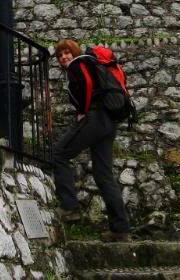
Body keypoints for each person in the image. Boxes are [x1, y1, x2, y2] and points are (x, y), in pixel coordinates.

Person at [52, 38, 131, 241]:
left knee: (59, 153)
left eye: (66, 52)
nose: (63, 58)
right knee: (103, 174)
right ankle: (120, 229)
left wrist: (83, 110)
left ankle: (70, 207)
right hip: (109, 122)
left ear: (74, 51)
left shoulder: (78, 63)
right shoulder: (91, 63)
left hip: (95, 117)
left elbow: (87, 84)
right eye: (60, 56)